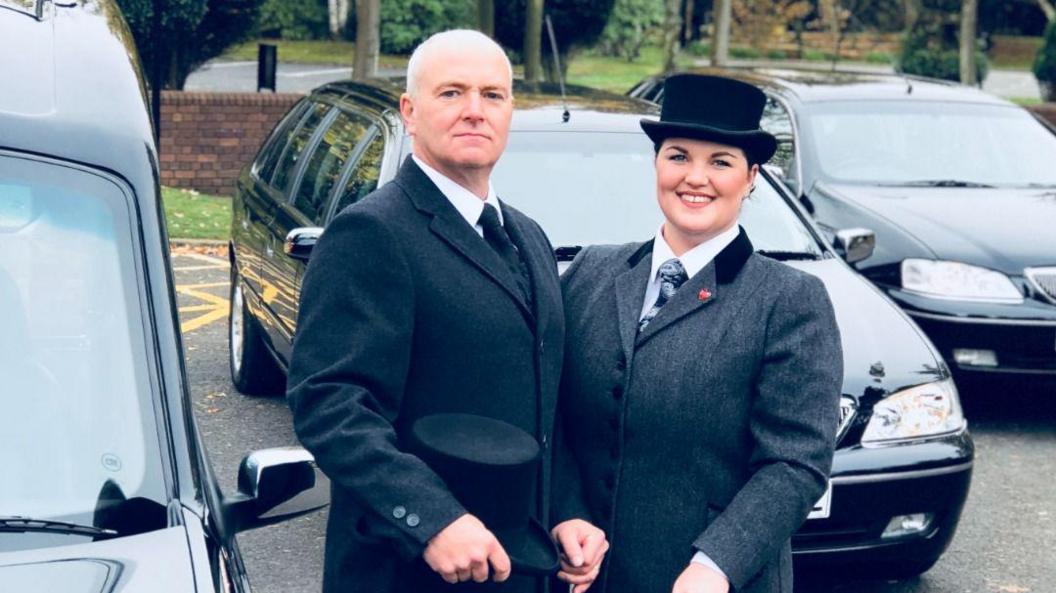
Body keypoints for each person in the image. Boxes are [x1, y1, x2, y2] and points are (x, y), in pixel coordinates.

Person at [286, 29, 606, 593]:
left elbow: (542, 405)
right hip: (408, 571)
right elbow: (331, 402)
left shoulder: (528, 237)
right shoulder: (371, 232)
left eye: (492, 95)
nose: (474, 111)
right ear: (410, 111)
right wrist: (432, 518)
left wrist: (565, 511)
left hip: (520, 568)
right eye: (452, 93)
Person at [552, 74, 843, 593]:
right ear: (657, 164)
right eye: (679, 156)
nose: (695, 177)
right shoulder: (590, 274)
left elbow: (795, 463)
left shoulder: (789, 301)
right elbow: (553, 420)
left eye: (721, 162)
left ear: (751, 176)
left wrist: (716, 564)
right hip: (584, 579)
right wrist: (566, 513)